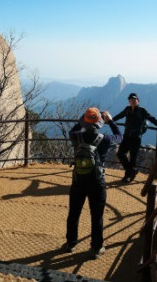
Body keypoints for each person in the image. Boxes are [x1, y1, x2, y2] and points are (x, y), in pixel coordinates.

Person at [64, 107, 122, 259]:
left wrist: (83, 121)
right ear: (99, 122)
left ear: (84, 120)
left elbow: (75, 128)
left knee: (74, 212)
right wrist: (109, 121)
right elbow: (119, 136)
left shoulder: (75, 136)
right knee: (97, 216)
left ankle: (70, 243)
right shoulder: (105, 139)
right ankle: (96, 248)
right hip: (97, 182)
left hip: (78, 180)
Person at [112, 93, 157, 184]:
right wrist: (110, 121)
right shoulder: (127, 109)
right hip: (127, 136)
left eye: (134, 99)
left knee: (133, 158)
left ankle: (128, 176)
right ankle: (132, 170)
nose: (132, 101)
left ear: (138, 101)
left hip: (136, 137)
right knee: (120, 154)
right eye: (130, 99)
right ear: (129, 101)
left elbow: (151, 118)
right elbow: (119, 116)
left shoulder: (142, 110)